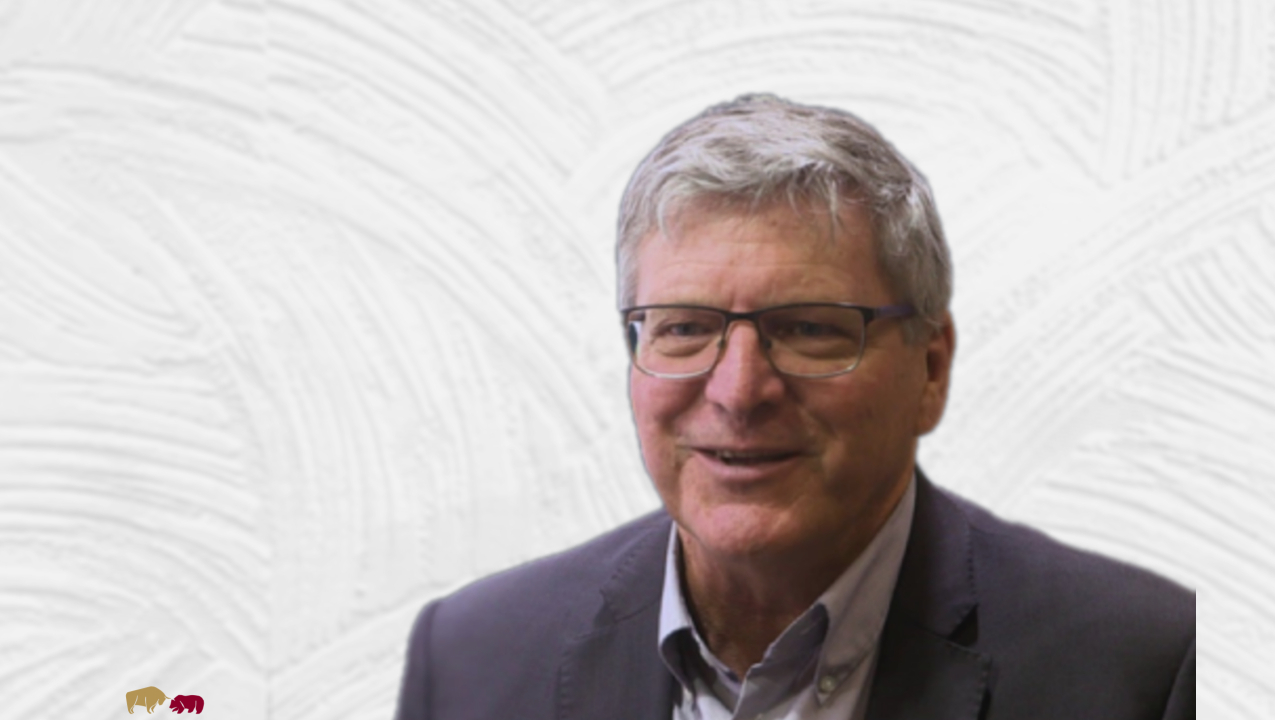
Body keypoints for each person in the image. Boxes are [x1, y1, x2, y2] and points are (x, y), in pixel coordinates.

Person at [394, 94, 1195, 720]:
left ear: (930, 368)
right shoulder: (472, 661)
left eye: (809, 329)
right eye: (684, 328)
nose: (739, 391)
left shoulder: (1140, 670)